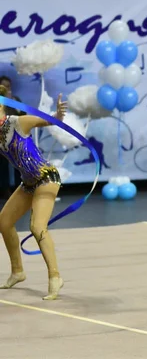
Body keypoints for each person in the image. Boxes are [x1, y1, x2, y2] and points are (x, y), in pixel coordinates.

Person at [0, 85, 67, 300]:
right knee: (3, 222)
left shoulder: (18, 123)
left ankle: (55, 277)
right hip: (28, 183)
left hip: (46, 178)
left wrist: (58, 114)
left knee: (37, 227)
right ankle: (18, 271)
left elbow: (51, 121)